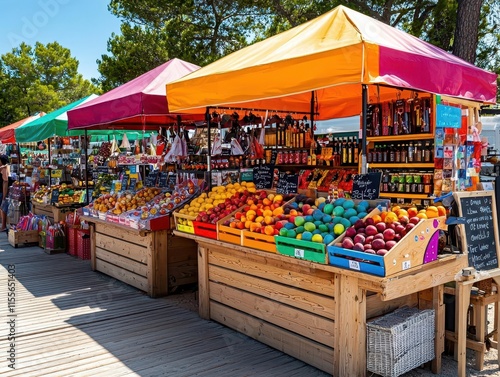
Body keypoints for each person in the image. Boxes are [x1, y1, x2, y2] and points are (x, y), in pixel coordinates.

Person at [0, 155, 11, 231]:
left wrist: (4, 194)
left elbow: (5, 182)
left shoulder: (4, 169)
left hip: (1, 191)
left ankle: (3, 225)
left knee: (2, 208)